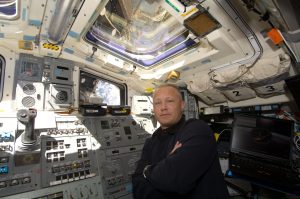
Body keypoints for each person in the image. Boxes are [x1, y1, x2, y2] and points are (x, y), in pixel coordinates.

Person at [132, 84, 229, 199]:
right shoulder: (151, 141)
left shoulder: (197, 129)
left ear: (182, 105)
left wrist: (147, 170)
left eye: (170, 101)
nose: (163, 107)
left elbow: (175, 180)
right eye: (158, 103)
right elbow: (138, 187)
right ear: (153, 108)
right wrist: (166, 165)